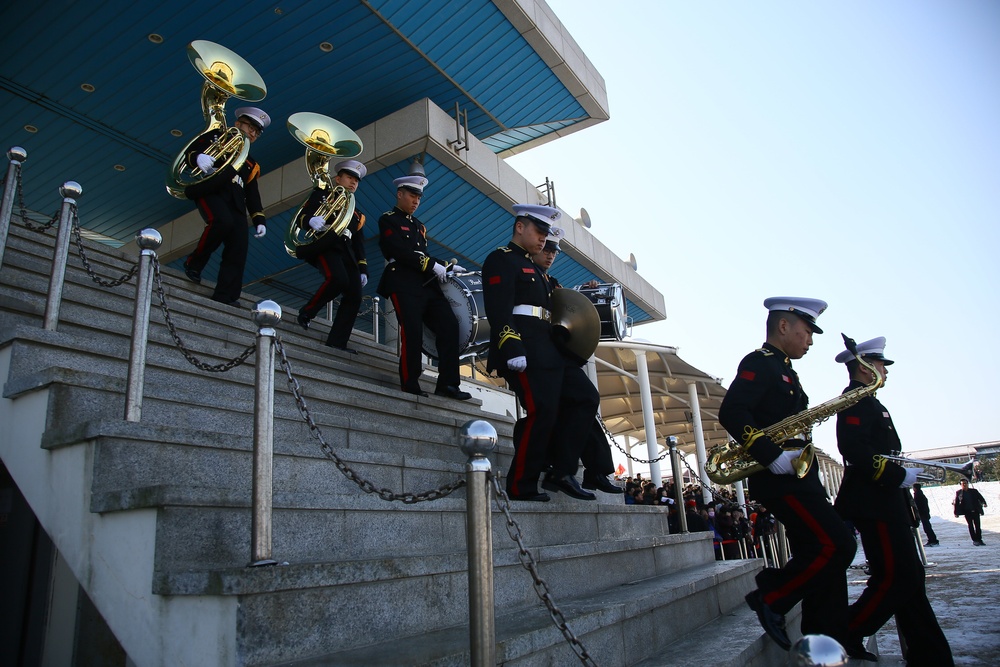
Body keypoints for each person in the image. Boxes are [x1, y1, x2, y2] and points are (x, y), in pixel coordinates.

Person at [718, 297, 857, 654]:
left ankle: (824, 640)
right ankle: (772, 596)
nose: (810, 340)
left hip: (797, 474)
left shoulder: (786, 370)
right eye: (807, 331)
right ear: (784, 326)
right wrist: (770, 454)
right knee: (838, 544)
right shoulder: (760, 363)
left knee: (818, 549)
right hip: (778, 475)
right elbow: (732, 411)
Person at [833, 336, 953, 666]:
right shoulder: (855, 401)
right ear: (864, 365)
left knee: (910, 579)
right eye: (882, 365)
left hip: (887, 501)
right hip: (875, 504)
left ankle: (930, 653)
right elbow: (855, 451)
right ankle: (848, 629)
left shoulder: (871, 402)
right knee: (897, 577)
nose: (886, 371)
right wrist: (898, 477)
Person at [482, 204, 599, 502]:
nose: (544, 240)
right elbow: (499, 310)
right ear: (520, 227)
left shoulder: (537, 269)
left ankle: (562, 470)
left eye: (547, 234)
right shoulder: (501, 259)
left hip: (550, 351)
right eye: (539, 231)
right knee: (542, 412)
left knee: (586, 397)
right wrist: (511, 345)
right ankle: (521, 485)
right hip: (525, 350)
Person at [529, 227, 621, 495]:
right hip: (540, 355)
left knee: (585, 403)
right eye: (546, 249)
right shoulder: (526, 275)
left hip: (557, 355)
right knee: (583, 401)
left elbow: (567, 307)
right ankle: (563, 470)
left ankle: (595, 471)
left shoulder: (550, 281)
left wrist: (585, 292)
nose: (550, 255)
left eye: (554, 251)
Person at [376, 173, 470, 400]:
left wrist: (446, 266)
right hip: (403, 282)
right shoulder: (388, 219)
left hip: (426, 284)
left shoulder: (419, 226)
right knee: (412, 332)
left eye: (419, 197)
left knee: (449, 326)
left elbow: (423, 254)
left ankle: (448, 384)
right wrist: (430, 264)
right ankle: (410, 382)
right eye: (412, 195)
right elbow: (399, 251)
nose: (416, 201)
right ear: (400, 194)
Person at [183, 107, 270, 306]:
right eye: (251, 127)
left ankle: (226, 295)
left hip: (236, 204)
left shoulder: (250, 163)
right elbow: (189, 152)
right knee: (221, 222)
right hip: (211, 192)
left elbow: (252, 193)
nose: (253, 133)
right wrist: (197, 157)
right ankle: (194, 263)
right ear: (238, 123)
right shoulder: (216, 138)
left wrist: (259, 218)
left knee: (239, 247)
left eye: (257, 131)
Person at [293, 159, 370, 352]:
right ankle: (307, 312)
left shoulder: (357, 214)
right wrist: (311, 220)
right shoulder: (322, 195)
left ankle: (338, 341)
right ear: (338, 179)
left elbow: (359, 245)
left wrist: (363, 269)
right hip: (325, 246)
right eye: (349, 177)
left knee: (354, 296)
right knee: (337, 279)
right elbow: (301, 217)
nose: (353, 182)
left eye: (356, 180)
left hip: (348, 252)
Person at [954, 478, 987, 546]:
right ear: (961, 485)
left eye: (966, 483)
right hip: (967, 512)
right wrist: (956, 513)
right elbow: (956, 503)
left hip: (975, 511)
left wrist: (984, 503)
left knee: (977, 526)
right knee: (970, 526)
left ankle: (979, 539)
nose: (965, 485)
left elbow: (980, 497)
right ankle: (975, 540)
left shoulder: (974, 491)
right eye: (963, 484)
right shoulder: (959, 493)